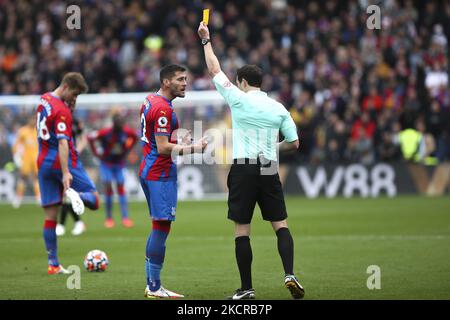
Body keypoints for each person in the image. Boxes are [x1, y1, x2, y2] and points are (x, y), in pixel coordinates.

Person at [198, 22, 304, 300]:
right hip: (268, 165)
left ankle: (246, 289)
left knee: (242, 229)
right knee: (281, 224)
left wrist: (205, 40)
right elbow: (295, 143)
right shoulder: (279, 107)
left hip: (243, 167)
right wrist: (272, 148)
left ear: (243, 82)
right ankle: (290, 274)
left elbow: (213, 69)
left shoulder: (238, 99)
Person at [140, 64, 207, 298]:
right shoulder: (162, 109)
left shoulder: (151, 100)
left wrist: (177, 138)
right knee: (161, 226)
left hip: (149, 170)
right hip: (159, 173)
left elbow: (157, 138)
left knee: (158, 226)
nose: (185, 83)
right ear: (166, 82)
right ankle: (154, 286)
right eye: (180, 79)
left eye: (186, 78)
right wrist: (193, 148)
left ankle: (152, 283)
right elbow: (163, 147)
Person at [36, 72, 100, 274]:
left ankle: (53, 264)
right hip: (63, 161)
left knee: (50, 216)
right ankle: (76, 195)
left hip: (43, 161)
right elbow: (63, 141)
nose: (75, 98)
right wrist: (65, 172)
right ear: (65, 87)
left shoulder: (44, 99)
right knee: (95, 200)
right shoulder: (61, 109)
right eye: (74, 94)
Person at [87, 112, 138, 228]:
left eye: (122, 123)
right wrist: (96, 153)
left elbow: (135, 137)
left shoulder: (126, 132)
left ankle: (125, 218)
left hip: (119, 164)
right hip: (106, 164)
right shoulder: (105, 133)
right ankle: (109, 218)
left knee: (120, 187)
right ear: (114, 124)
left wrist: (127, 149)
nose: (121, 125)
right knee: (108, 187)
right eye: (119, 123)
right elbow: (90, 137)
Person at [56, 117, 88, 236]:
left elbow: (83, 139)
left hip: (71, 162)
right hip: (59, 159)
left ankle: (62, 225)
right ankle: (77, 223)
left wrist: (76, 151)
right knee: (66, 193)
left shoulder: (74, 121)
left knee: (67, 192)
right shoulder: (57, 120)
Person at [11, 116, 40, 208]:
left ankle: (38, 197)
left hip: (36, 158)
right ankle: (18, 197)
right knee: (23, 177)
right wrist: (17, 156)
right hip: (26, 158)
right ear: (28, 120)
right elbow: (17, 144)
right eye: (31, 119)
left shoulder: (38, 130)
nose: (33, 121)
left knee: (36, 178)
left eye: (34, 119)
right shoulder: (23, 131)